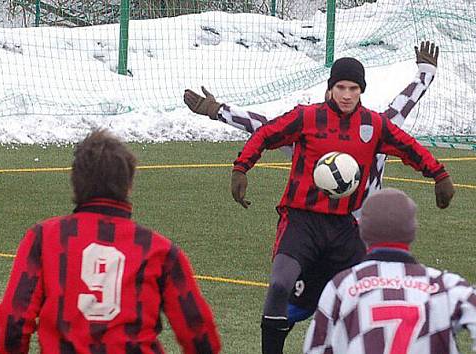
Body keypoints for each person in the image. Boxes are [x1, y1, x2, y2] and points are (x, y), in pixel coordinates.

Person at [184, 41, 443, 328]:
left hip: (354, 230)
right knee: (296, 302)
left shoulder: (376, 128)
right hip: (312, 226)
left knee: (362, 303)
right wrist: (217, 110)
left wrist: (425, 73)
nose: (344, 98)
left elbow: (403, 105)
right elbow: (264, 127)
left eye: (352, 89)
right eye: (338, 89)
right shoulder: (309, 134)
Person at [0, 129, 221, 354]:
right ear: (129, 185)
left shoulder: (43, 238)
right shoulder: (159, 250)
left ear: (75, 182)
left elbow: (14, 318)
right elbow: (198, 332)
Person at [303, 188, 476, 354]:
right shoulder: (446, 286)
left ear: (362, 229)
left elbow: (317, 348)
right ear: (413, 231)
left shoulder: (342, 285)